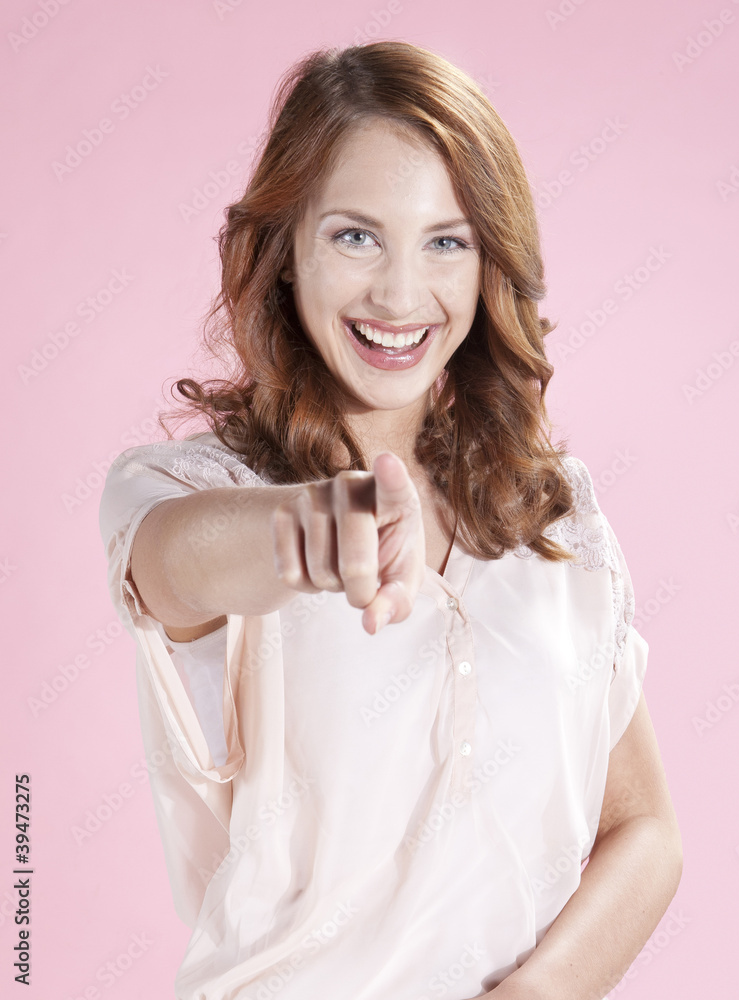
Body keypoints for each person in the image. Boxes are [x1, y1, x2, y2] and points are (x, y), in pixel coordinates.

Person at [99, 40, 682, 1000]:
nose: (401, 296)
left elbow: (642, 827)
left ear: (489, 262)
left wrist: (535, 993)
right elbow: (176, 567)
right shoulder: (180, 486)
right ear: (284, 252)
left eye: (446, 241)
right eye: (354, 236)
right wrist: (313, 530)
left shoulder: (556, 517)